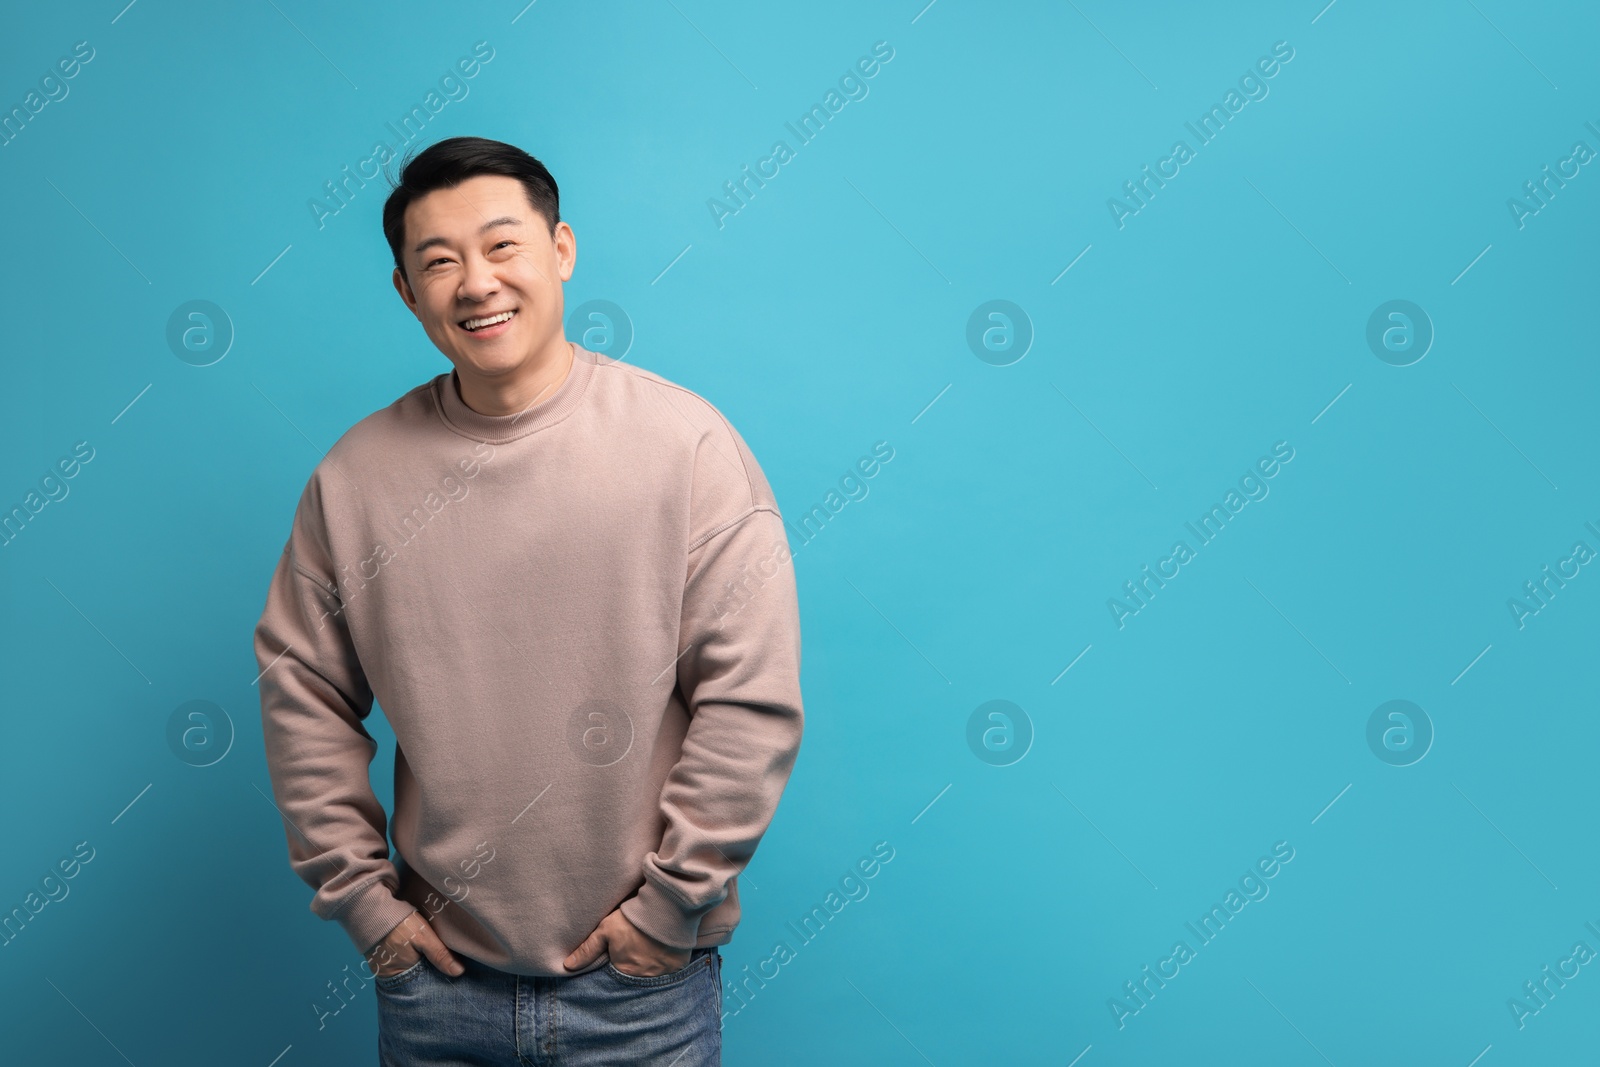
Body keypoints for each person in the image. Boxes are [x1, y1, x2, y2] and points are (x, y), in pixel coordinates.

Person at [253, 135, 804, 1066]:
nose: (476, 282)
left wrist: (670, 910)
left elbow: (749, 701)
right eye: (439, 262)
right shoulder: (354, 480)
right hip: (438, 993)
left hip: (643, 992)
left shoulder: (688, 447)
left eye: (502, 245)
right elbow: (299, 692)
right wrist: (366, 908)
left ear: (560, 250)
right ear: (406, 293)